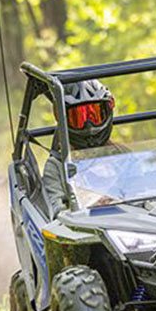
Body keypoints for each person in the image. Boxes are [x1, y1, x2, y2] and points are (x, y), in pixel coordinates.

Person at [43, 79, 115, 216]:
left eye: (95, 115)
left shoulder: (120, 153)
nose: (89, 126)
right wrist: (94, 203)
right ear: (63, 120)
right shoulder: (56, 167)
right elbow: (58, 212)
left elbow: (144, 190)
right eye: (78, 118)